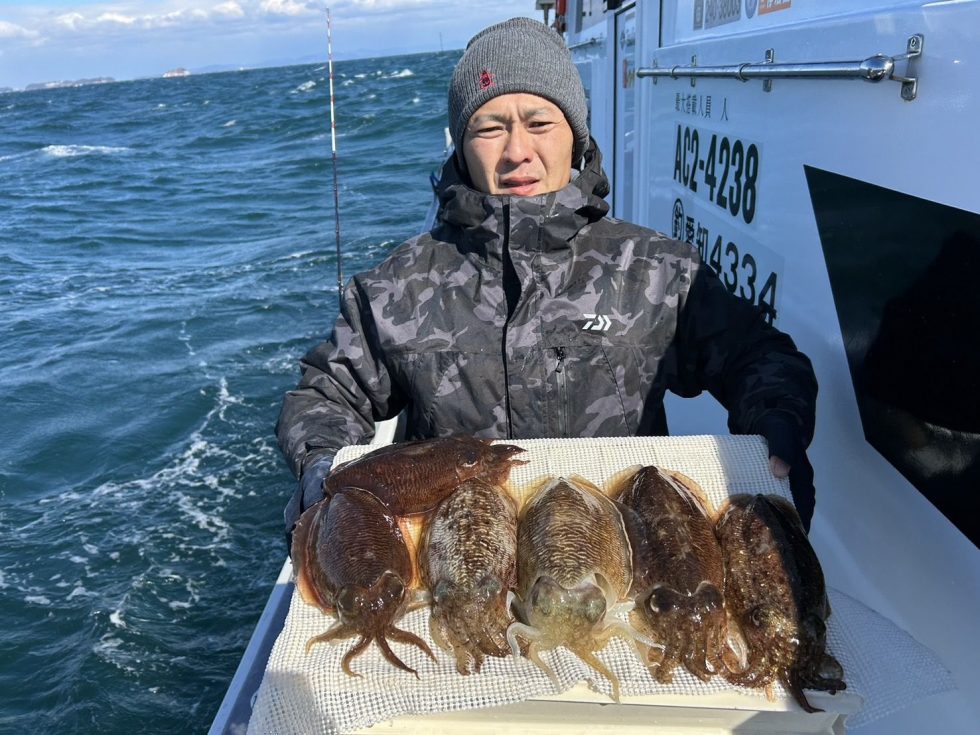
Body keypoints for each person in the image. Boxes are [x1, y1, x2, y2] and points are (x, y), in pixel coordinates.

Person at [276, 17, 818, 544]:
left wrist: (777, 418)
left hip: (622, 552)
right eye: (490, 128)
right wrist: (321, 464)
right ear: (461, 146)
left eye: (539, 124)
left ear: (575, 137)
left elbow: (759, 356)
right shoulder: (396, 286)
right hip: (456, 555)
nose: (517, 152)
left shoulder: (658, 271)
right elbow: (326, 393)